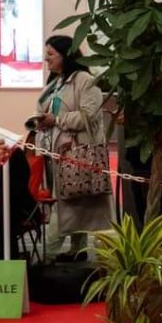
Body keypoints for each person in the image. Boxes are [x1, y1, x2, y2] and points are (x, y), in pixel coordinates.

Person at [35, 35, 112, 262]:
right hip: (57, 154)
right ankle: (77, 250)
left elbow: (89, 116)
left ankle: (49, 255)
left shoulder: (85, 80)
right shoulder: (56, 82)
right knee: (74, 201)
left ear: (65, 55)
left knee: (69, 204)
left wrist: (57, 120)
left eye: (51, 54)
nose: (46, 59)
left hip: (77, 155)